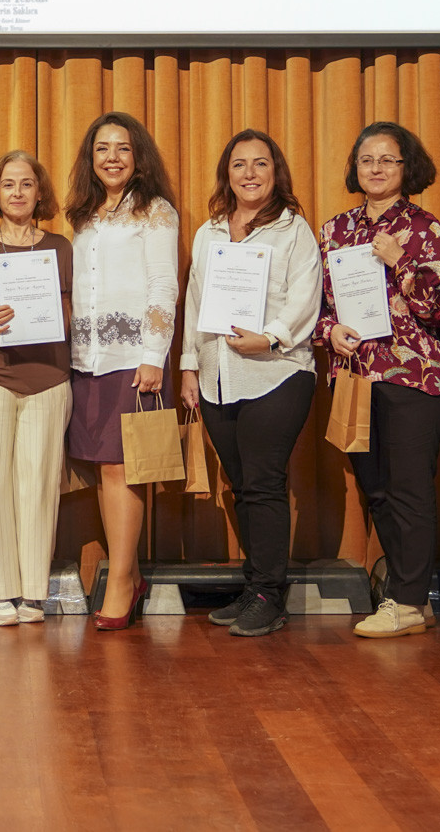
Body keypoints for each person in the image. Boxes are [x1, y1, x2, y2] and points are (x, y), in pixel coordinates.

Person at [318, 121, 440, 640]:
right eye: (366, 160)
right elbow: (319, 310)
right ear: (355, 168)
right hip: (354, 376)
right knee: (376, 491)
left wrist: (399, 261)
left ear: (406, 168)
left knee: (410, 490)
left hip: (413, 376)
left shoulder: (425, 227)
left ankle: (407, 600)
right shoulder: (333, 230)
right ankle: (411, 598)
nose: (375, 168)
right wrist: (331, 332)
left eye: (387, 160)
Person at [180, 130, 319, 638]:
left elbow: (307, 296)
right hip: (217, 376)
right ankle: (255, 584)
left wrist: (271, 337)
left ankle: (269, 596)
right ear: (228, 174)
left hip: (276, 373)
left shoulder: (293, 230)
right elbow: (195, 302)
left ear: (275, 172)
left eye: (261, 164)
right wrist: (189, 367)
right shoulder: (209, 232)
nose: (250, 174)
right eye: (240, 165)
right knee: (240, 486)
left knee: (263, 483)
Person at [65, 111, 178, 631]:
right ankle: (127, 574)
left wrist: (154, 354)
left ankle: (121, 581)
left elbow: (163, 287)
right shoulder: (84, 216)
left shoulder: (155, 212)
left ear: (138, 159)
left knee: (122, 468)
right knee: (101, 469)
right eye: (102, 149)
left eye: (122, 149)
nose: (112, 158)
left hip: (132, 360)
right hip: (85, 360)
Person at [0, 150, 73, 626]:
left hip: (49, 379)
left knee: (38, 485)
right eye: (8, 184)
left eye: (26, 184)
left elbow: (76, 309)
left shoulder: (63, 248)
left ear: (39, 192)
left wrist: (55, 317)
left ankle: (31, 590)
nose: (18, 192)